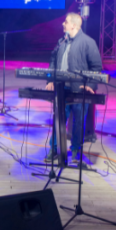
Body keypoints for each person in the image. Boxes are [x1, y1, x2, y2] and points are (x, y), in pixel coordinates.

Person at [44, 13, 102, 165]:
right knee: (58, 120)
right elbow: (53, 60)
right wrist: (50, 79)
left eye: (66, 22)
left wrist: (90, 85)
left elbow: (96, 67)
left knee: (78, 122)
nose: (63, 24)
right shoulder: (61, 42)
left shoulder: (88, 42)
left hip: (79, 90)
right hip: (62, 88)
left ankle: (76, 150)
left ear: (74, 25)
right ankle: (54, 149)